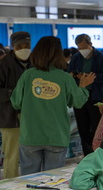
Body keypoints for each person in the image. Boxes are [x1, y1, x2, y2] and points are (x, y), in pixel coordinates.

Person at [10, 36, 95, 175]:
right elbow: (78, 102)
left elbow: (15, 102)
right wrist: (83, 87)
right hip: (56, 136)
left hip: (30, 135)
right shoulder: (65, 77)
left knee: (28, 180)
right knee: (52, 181)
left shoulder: (27, 75)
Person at [68, 34, 103, 156]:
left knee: (97, 127)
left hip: (96, 96)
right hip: (80, 98)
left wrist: (91, 78)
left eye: (84, 47)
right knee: (83, 128)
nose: (82, 51)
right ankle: (87, 155)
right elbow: (70, 73)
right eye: (79, 48)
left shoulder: (101, 57)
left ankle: (98, 153)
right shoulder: (76, 58)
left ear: (90, 44)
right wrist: (78, 76)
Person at [0, 31, 32, 178]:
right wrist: (15, 93)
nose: (24, 49)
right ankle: (9, 189)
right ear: (13, 46)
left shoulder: (36, 62)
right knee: (12, 156)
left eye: (27, 45)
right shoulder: (4, 65)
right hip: (10, 117)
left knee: (32, 156)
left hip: (33, 117)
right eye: (20, 46)